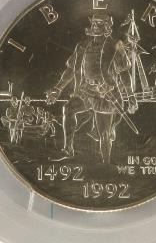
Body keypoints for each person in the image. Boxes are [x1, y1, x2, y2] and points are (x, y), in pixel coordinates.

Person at [45, 13, 137, 163]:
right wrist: (57, 89)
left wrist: (131, 96)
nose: (94, 26)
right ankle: (68, 149)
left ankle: (106, 164)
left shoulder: (115, 46)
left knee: (104, 134)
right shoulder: (82, 46)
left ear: (106, 27)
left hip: (107, 94)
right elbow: (70, 70)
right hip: (86, 91)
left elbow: (124, 73)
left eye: (99, 23)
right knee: (68, 108)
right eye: (93, 23)